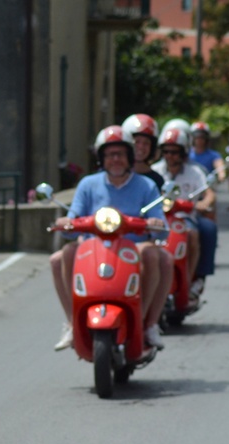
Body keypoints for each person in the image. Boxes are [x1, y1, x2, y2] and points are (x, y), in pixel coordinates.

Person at [51, 125, 172, 351]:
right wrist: (66, 222)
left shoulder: (146, 185)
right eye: (109, 155)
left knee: (156, 255)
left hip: (134, 246)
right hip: (93, 246)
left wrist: (155, 223)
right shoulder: (88, 184)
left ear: (129, 157)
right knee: (61, 257)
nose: (115, 160)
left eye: (120, 154)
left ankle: (147, 323)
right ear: (101, 159)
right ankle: (72, 323)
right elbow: (74, 218)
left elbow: (161, 223)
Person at [151, 127, 218, 303]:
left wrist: (204, 203)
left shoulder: (194, 172)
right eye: (166, 151)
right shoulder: (155, 171)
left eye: (174, 152)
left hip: (185, 217)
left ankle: (190, 281)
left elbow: (209, 193)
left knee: (192, 234)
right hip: (160, 218)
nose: (170, 156)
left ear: (183, 152)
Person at [122, 113, 164, 189]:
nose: (141, 147)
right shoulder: (115, 176)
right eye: (136, 142)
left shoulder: (157, 181)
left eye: (146, 143)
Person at [189, 121, 227, 189]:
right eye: (197, 137)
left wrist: (221, 175)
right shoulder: (186, 154)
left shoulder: (214, 155)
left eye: (202, 137)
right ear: (193, 138)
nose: (199, 139)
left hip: (206, 187)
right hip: (189, 187)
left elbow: (219, 166)